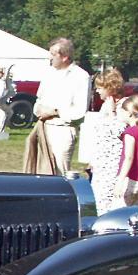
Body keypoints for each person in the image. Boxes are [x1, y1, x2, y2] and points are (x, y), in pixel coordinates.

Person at [31, 37, 90, 175]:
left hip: (63, 131)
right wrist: (39, 110)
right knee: (39, 173)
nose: (50, 58)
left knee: (58, 173)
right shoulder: (48, 73)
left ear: (65, 57)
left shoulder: (80, 76)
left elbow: (80, 111)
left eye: (53, 54)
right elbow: (39, 99)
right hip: (43, 128)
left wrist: (54, 112)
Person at [86, 69, 128, 215]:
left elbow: (120, 131)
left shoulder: (123, 106)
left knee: (107, 200)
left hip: (113, 162)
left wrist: (112, 113)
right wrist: (93, 159)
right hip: (101, 161)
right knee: (97, 198)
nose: (97, 91)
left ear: (110, 87)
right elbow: (100, 134)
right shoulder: (104, 105)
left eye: (100, 87)